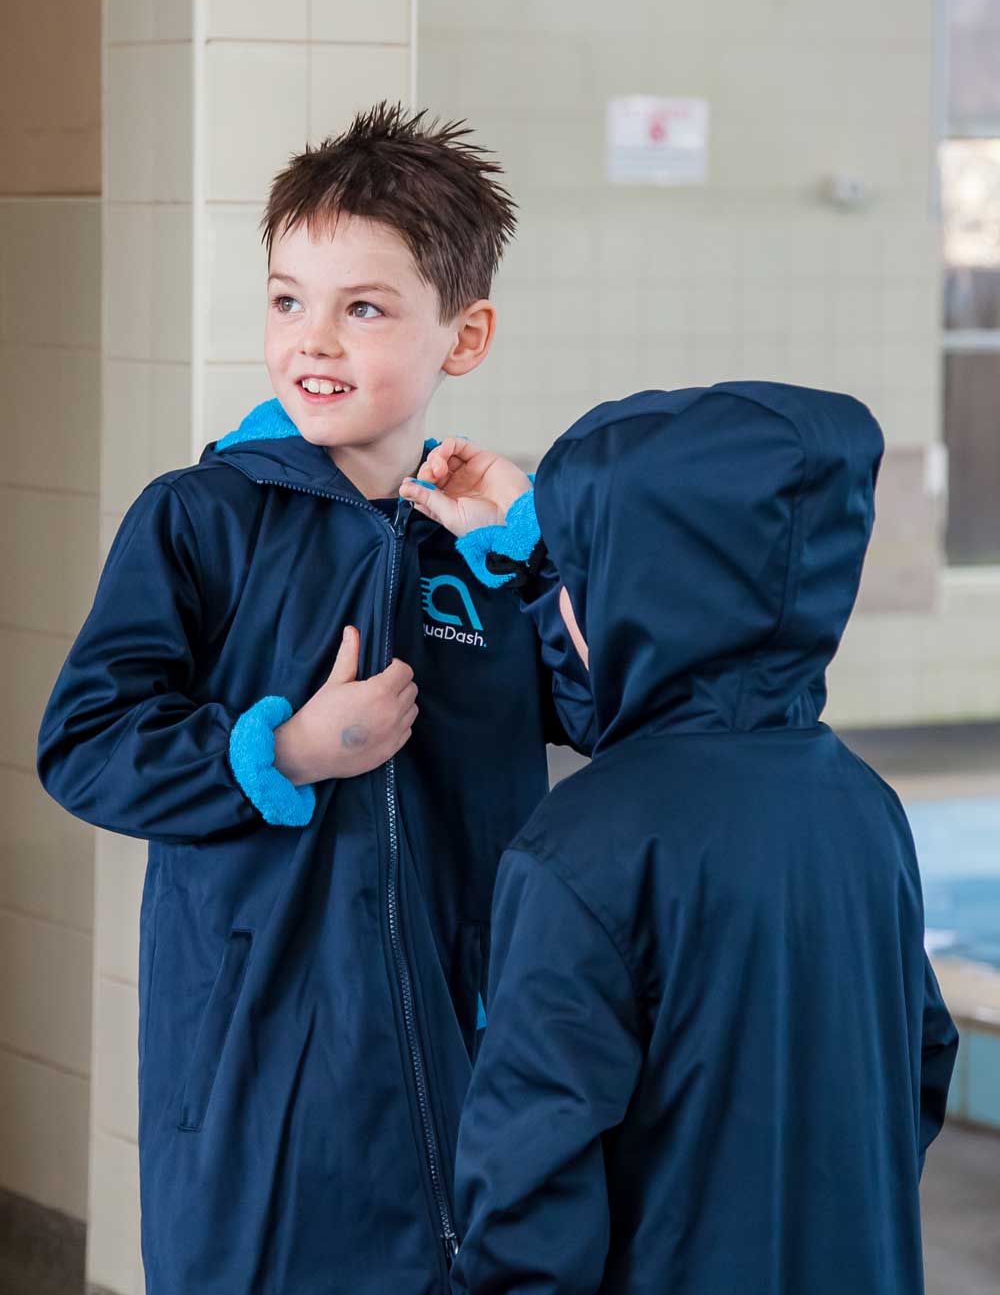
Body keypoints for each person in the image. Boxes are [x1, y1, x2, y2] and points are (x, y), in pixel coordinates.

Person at [36, 101, 591, 1295]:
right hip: (260, 1069)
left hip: (462, 1045)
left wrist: (535, 553)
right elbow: (82, 742)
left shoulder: (478, 547)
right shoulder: (199, 519)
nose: (314, 340)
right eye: (288, 299)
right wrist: (278, 750)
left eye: (365, 306)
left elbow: (603, 709)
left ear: (466, 332)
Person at [409, 382, 959, 1295]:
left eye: (581, 573)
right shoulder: (864, 807)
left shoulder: (579, 852)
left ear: (638, 600)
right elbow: (921, 1063)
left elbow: (528, 1200)